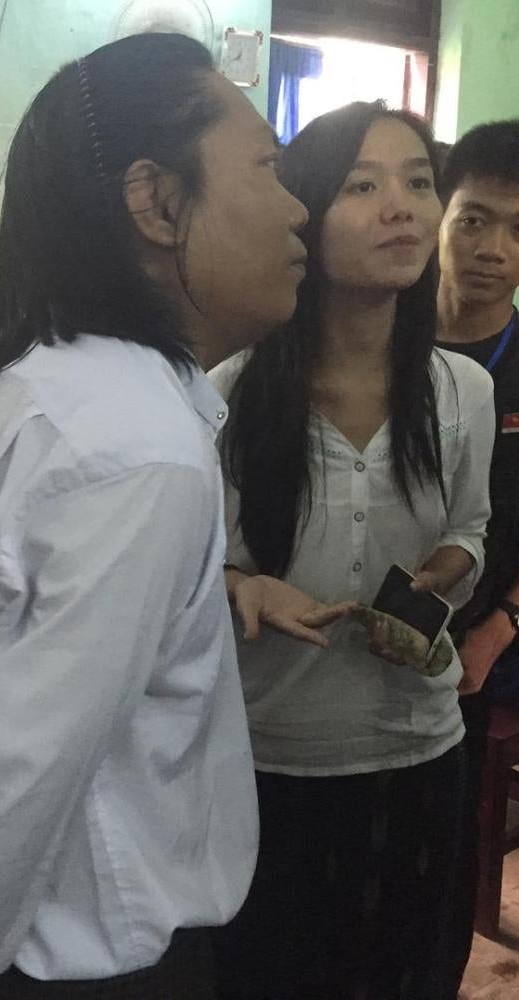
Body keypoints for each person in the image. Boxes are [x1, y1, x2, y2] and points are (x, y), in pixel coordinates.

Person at [0, 32, 322, 999]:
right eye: (269, 169)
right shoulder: (135, 447)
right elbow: (19, 780)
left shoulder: (25, 389)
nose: (297, 209)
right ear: (157, 203)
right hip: (77, 967)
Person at [211, 101, 495, 1000]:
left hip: (417, 750)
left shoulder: (462, 391)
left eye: (418, 182)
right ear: (304, 213)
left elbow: (471, 530)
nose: (400, 207)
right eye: (362, 186)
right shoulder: (227, 396)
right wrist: (240, 584)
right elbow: (190, 564)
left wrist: (440, 577)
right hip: (270, 757)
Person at [434, 119, 519, 989]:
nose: (494, 249)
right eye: (475, 220)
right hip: (363, 624)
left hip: (488, 642)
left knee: (443, 847)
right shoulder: (378, 340)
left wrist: (501, 628)